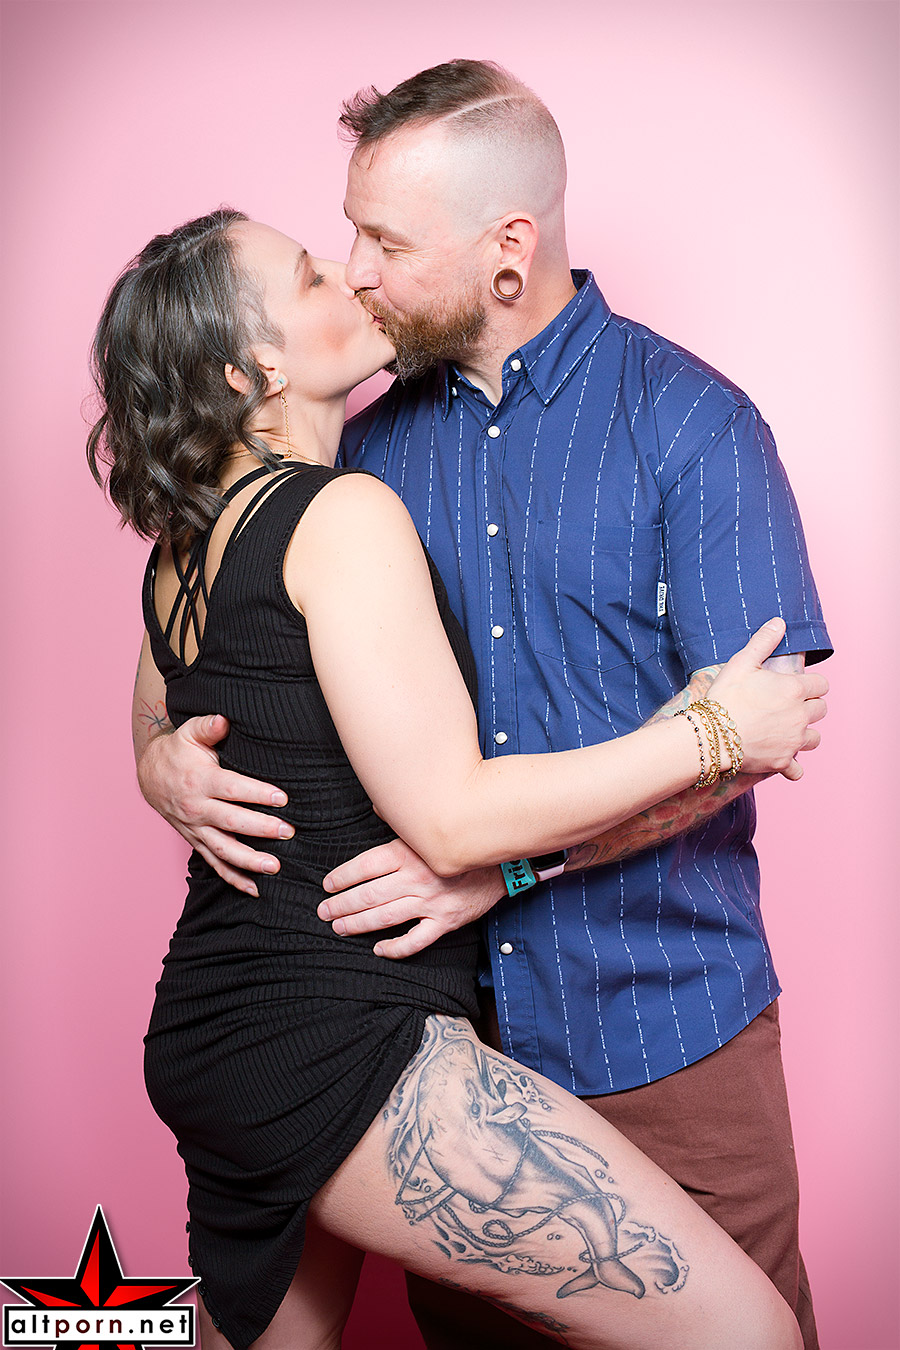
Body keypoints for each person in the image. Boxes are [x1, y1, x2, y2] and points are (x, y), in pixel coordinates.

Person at [133, 62, 833, 1350]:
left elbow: (751, 738)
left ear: (508, 247)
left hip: (665, 1022)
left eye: (386, 243)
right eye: (341, 245)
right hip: (445, 1037)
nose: (359, 273)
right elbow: (219, 642)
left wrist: (504, 871)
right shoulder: (359, 452)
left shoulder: (695, 423)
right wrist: (158, 757)